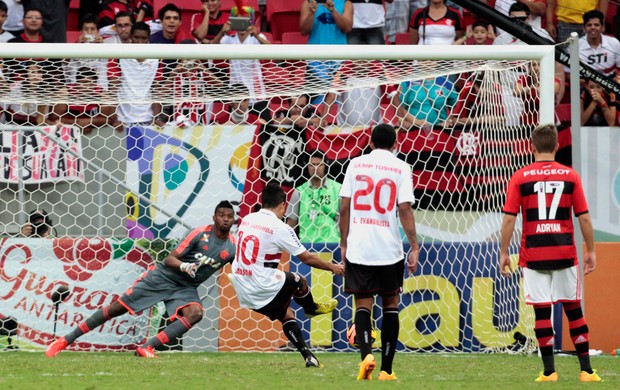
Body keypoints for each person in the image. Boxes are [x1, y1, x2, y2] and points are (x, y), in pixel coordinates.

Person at [46, 201, 237, 358]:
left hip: (185, 287)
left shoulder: (232, 246)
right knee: (116, 309)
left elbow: (241, 267)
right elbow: (170, 259)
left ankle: (147, 347)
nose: (226, 219)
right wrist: (184, 266)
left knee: (195, 313)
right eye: (222, 215)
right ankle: (65, 340)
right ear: (214, 217)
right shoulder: (199, 234)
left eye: (230, 216)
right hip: (162, 277)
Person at [499, 124, 602, 383]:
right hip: (565, 253)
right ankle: (587, 371)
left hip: (534, 255)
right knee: (574, 310)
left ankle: (549, 372)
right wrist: (591, 250)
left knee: (542, 313)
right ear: (557, 146)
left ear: (531, 146)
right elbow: (584, 218)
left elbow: (509, 220)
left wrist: (503, 252)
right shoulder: (570, 176)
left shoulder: (520, 176)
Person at [229, 181, 344, 368]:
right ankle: (311, 308)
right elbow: (306, 258)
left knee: (286, 313)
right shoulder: (279, 227)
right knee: (299, 281)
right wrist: (334, 268)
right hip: (261, 285)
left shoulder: (247, 219)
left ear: (263, 202)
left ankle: (309, 357)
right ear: (283, 205)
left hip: (242, 286)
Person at [339, 123, 419, 381]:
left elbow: (344, 207)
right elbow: (405, 208)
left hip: (359, 247)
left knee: (362, 305)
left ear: (370, 143)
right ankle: (386, 369)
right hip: (389, 250)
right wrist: (414, 245)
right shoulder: (401, 167)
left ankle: (365, 357)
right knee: (391, 306)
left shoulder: (355, 164)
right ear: (395, 144)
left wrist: (344, 241)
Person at [286, 151, 341, 245]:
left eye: (319, 165)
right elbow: (291, 224)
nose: (315, 168)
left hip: (333, 244)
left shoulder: (338, 189)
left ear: (325, 166)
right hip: (307, 246)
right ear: (307, 167)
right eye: (312, 165)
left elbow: (344, 219)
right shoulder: (299, 191)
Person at [578, 9, 620, 78]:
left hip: (611, 84)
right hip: (585, 86)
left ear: (602, 27)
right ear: (584, 28)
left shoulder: (614, 43)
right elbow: (568, 74)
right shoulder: (575, 46)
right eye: (589, 25)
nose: (593, 28)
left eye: (596, 25)